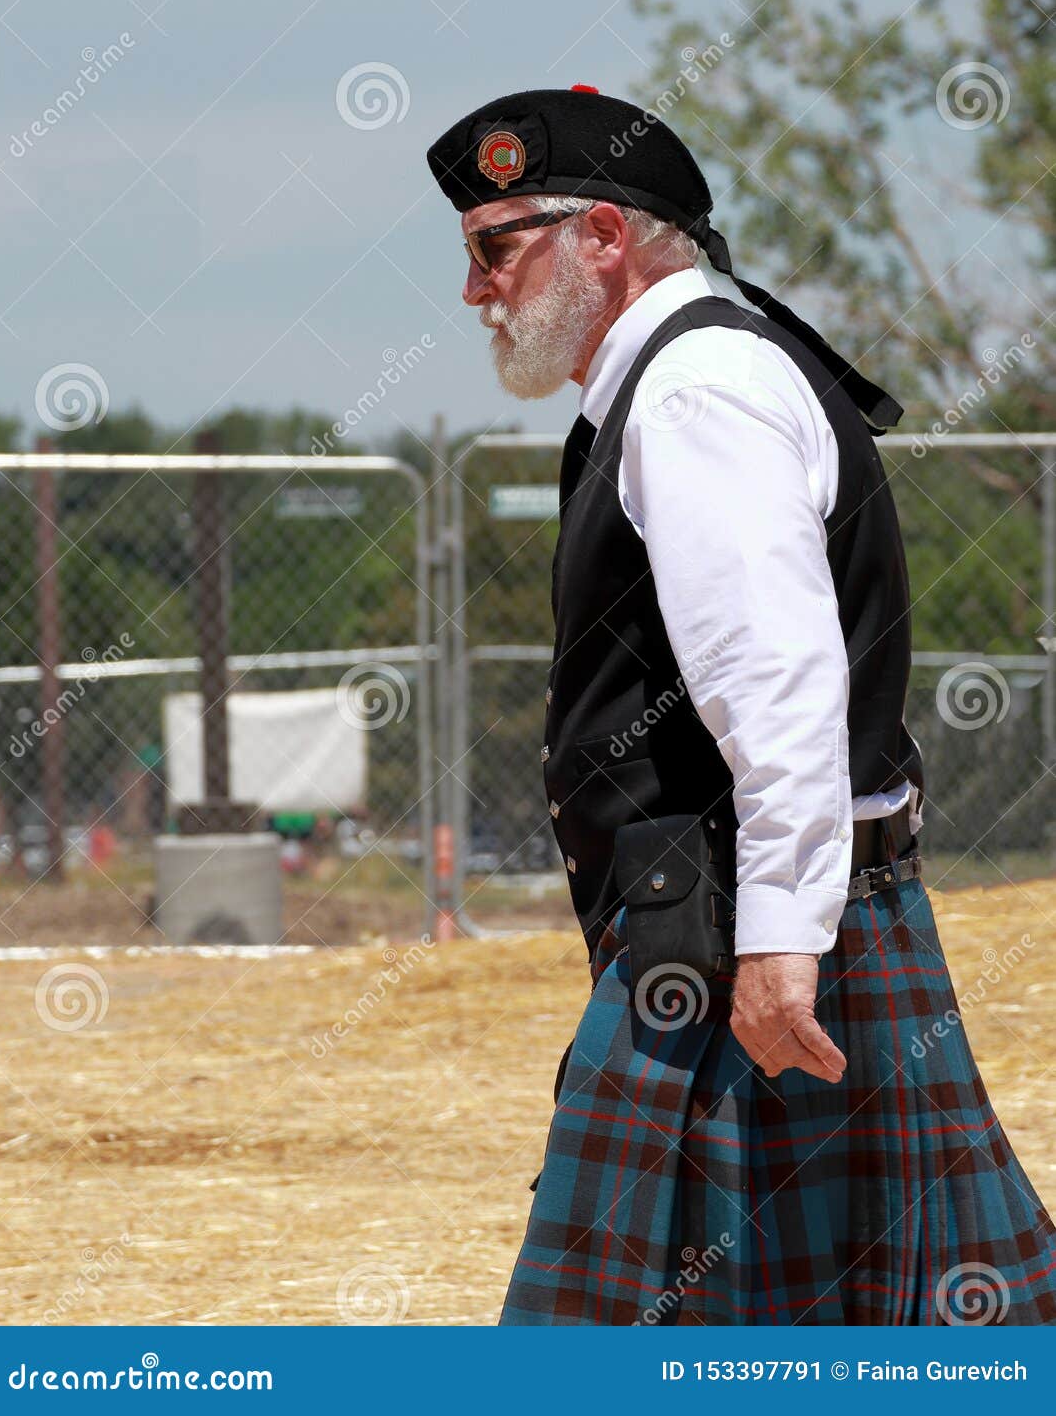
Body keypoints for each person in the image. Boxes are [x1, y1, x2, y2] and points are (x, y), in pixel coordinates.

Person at [426, 85, 1056, 1326]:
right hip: (752, 921)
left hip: (743, 937)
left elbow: (779, 692)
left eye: (494, 246)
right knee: (882, 1326)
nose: (473, 291)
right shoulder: (690, 370)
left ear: (601, 236)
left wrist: (778, 950)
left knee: (624, 1351)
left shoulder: (697, 389)